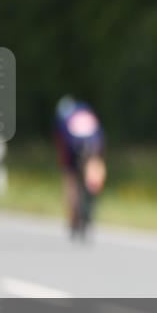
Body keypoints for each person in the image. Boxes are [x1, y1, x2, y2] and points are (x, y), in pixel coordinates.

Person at [54, 96, 107, 238]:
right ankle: (90, 206)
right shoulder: (86, 111)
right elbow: (100, 134)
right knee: (94, 175)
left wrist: (66, 166)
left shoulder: (63, 119)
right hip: (94, 146)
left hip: (74, 148)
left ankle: (74, 218)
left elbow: (63, 145)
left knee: (71, 181)